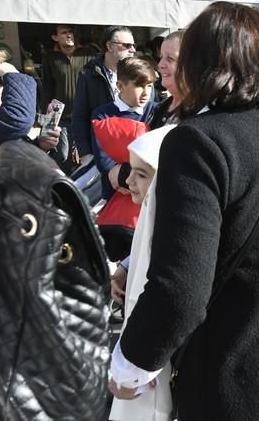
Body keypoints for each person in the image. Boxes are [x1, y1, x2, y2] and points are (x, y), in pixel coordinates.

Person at [108, 1, 259, 420]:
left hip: (232, 380)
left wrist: (129, 363)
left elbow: (179, 288)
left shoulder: (198, 142)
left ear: (200, 65)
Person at [109, 124, 176, 421]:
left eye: (142, 174)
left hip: (148, 365)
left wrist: (132, 370)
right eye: (130, 170)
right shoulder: (152, 212)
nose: (130, 181)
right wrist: (125, 265)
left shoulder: (169, 223)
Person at [91, 57, 156, 200]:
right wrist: (121, 176)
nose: (146, 92)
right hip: (115, 190)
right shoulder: (103, 114)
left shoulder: (155, 111)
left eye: (150, 85)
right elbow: (103, 158)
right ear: (120, 86)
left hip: (147, 191)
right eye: (139, 85)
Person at [72, 25, 136, 163]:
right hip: (101, 154)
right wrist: (85, 153)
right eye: (127, 45)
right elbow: (79, 116)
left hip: (134, 151)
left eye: (133, 45)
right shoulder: (88, 74)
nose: (133, 50)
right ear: (110, 46)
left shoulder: (138, 74)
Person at [41, 24, 95, 170]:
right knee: (62, 154)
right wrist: (46, 118)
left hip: (85, 114)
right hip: (61, 115)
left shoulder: (88, 54)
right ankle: (64, 186)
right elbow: (47, 87)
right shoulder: (50, 57)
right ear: (55, 37)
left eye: (71, 32)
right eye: (64, 33)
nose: (69, 35)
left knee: (87, 154)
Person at [146, 31, 183, 130]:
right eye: (161, 57)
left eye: (170, 58)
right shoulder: (159, 109)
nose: (160, 65)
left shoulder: (205, 115)